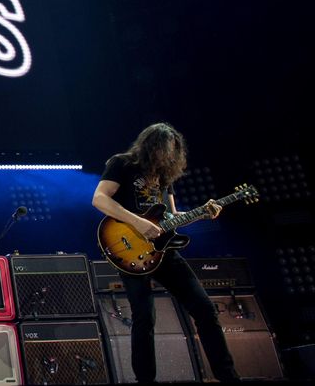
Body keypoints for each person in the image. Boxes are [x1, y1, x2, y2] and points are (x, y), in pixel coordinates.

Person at [91, 123, 238, 382]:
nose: (167, 156)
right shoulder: (122, 163)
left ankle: (228, 377)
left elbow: (171, 217)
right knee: (144, 316)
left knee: (204, 309)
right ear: (150, 145)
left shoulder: (164, 176)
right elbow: (100, 198)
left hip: (164, 251)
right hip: (130, 249)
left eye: (172, 152)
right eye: (164, 149)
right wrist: (138, 222)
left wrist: (203, 213)